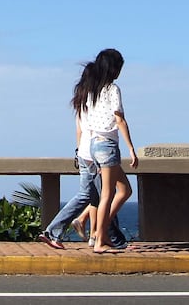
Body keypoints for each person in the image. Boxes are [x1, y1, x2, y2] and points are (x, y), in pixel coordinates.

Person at [36, 56, 129, 250]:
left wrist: (79, 153)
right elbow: (116, 120)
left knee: (92, 195)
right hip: (98, 150)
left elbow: (79, 130)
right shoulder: (100, 96)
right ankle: (97, 236)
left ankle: (92, 234)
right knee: (102, 195)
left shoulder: (83, 100)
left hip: (86, 152)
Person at [79, 48, 137, 253]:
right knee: (108, 194)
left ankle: (100, 233)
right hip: (107, 145)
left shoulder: (92, 89)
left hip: (94, 144)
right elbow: (119, 119)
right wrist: (131, 148)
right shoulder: (112, 89)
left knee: (124, 190)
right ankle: (100, 240)